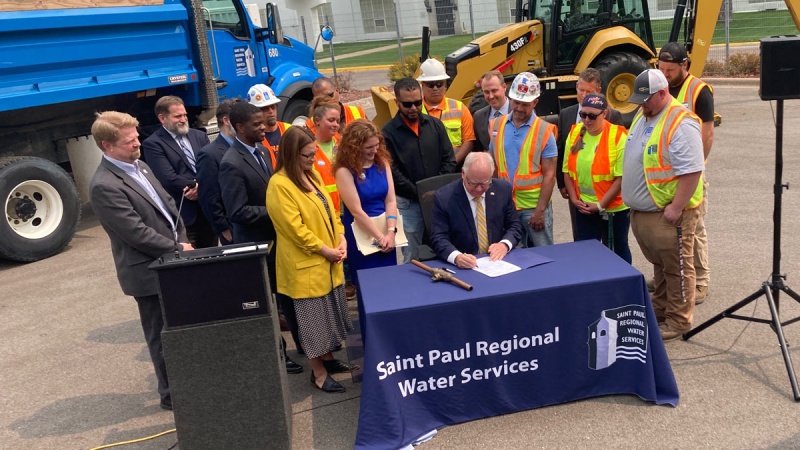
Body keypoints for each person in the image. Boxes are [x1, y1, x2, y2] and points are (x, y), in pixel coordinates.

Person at [89, 111, 194, 411]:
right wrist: (177, 247)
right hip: (148, 273)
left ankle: (189, 381)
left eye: (136, 136)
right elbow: (135, 233)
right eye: (130, 140)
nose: (138, 143)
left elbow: (169, 206)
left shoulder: (141, 167)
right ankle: (171, 393)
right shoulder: (104, 185)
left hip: (172, 259)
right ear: (107, 146)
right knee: (161, 335)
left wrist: (181, 239)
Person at [266, 126, 355, 393]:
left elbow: (332, 211)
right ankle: (317, 373)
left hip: (328, 262)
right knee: (313, 324)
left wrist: (341, 237)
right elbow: (295, 231)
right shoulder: (279, 185)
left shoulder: (312, 175)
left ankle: (328, 360)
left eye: (313, 153)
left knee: (328, 318)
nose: (312, 159)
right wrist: (325, 250)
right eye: (307, 155)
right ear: (293, 155)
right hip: (306, 265)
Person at [218, 101, 303, 372]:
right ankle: (279, 356)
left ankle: (306, 346)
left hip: (279, 242)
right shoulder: (231, 163)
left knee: (288, 297)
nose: (265, 128)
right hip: (257, 248)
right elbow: (237, 211)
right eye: (257, 125)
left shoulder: (263, 154)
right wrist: (278, 211)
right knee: (267, 305)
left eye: (264, 123)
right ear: (240, 128)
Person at [622, 69, 704, 342]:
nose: (641, 105)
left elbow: (692, 170)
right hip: (647, 211)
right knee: (661, 265)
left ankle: (679, 320)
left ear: (662, 93)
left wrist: (676, 207)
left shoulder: (681, 122)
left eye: (646, 99)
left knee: (678, 268)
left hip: (668, 213)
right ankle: (660, 308)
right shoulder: (645, 114)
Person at [659, 42, 715, 304]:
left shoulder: (698, 91)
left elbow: (707, 134)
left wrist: (697, 168)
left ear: (685, 65)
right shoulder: (660, 88)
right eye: (662, 68)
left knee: (695, 227)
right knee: (671, 231)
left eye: (670, 70)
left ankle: (701, 280)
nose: (666, 74)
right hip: (666, 175)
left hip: (691, 172)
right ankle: (673, 277)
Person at [382, 77, 457, 263]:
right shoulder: (387, 133)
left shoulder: (435, 125)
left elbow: (449, 159)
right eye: (408, 104)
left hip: (438, 199)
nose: (414, 108)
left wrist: (436, 190)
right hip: (409, 204)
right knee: (412, 254)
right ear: (397, 102)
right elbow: (392, 171)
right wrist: (420, 193)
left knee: (444, 246)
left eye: (417, 102)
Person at [489, 72, 558, 248]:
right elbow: (494, 165)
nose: (519, 108)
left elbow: (550, 175)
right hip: (507, 206)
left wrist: (540, 211)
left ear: (535, 102)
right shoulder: (496, 126)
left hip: (533, 208)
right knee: (512, 257)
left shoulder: (544, 131)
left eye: (525, 104)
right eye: (516, 102)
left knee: (545, 255)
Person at [562, 94, 631, 263]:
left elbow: (621, 178)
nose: (586, 120)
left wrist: (600, 205)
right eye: (583, 115)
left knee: (617, 251)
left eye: (592, 116)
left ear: (605, 113)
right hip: (584, 206)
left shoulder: (618, 136)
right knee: (586, 253)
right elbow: (566, 171)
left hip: (613, 208)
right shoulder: (575, 133)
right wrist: (574, 199)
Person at [556, 68, 624, 240]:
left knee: (611, 246)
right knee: (582, 241)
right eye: (581, 90)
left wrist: (601, 204)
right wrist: (564, 186)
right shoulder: (566, 116)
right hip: (579, 197)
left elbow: (619, 170)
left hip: (608, 203)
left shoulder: (614, 121)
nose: (587, 119)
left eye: (589, 91)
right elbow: (563, 153)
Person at [141, 95, 215, 249]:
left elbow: (212, 166)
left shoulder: (199, 135)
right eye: (178, 116)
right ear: (162, 118)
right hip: (185, 215)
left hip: (209, 211)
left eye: (185, 115)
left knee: (214, 255)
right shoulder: (153, 144)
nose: (183, 119)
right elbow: (167, 177)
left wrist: (201, 187)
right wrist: (195, 185)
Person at [333, 119, 398, 289]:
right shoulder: (344, 171)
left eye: (377, 145)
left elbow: (390, 199)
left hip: (385, 230)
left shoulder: (382, 163)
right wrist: (380, 238)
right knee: (369, 287)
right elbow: (356, 211)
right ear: (355, 146)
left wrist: (391, 232)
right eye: (369, 147)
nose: (375, 150)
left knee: (390, 284)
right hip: (362, 233)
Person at [430, 152, 522, 268]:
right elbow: (438, 237)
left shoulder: (502, 190)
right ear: (463, 173)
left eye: (485, 183)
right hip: (464, 263)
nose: (479, 189)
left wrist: (504, 245)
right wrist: (457, 257)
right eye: (473, 183)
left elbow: (515, 226)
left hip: (496, 262)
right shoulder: (444, 198)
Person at [196, 98, 242, 245]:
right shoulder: (210, 154)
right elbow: (209, 195)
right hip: (233, 228)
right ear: (226, 120)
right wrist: (223, 227)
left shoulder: (251, 146)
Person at [417, 58, 476, 164]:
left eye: (439, 84)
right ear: (422, 85)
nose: (435, 88)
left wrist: (452, 163)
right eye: (430, 85)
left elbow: (469, 141)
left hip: (455, 167)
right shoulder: (415, 111)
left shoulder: (459, 108)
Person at [308, 98, 343, 213]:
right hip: (323, 211)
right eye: (331, 120)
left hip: (346, 209)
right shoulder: (308, 148)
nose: (335, 125)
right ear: (317, 121)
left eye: (337, 121)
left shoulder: (343, 144)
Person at [247, 83, 291, 169]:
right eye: (265, 108)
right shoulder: (252, 139)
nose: (271, 111)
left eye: (273, 107)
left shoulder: (289, 129)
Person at [472, 70, 510, 151]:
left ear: (504, 87)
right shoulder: (478, 117)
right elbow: (478, 148)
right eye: (486, 92)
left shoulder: (520, 112)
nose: (491, 96)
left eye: (494, 91)